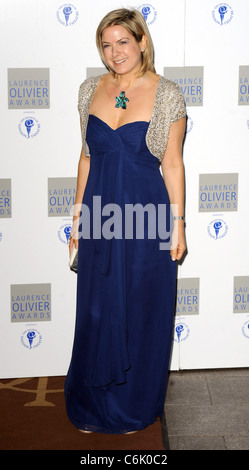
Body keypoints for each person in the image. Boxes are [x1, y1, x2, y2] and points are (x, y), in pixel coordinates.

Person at [64, 7, 186, 434]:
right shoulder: (88, 90)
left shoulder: (167, 93)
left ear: (142, 42)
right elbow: (85, 157)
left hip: (145, 217)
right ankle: (91, 402)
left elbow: (172, 164)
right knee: (96, 309)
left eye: (122, 42)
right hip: (99, 216)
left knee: (140, 309)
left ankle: (132, 404)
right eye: (106, 44)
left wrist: (179, 225)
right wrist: (77, 217)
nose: (114, 52)